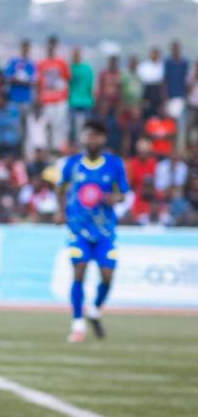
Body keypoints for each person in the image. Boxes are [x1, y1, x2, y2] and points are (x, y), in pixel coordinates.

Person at [55, 120, 128, 343]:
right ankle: (77, 324)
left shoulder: (114, 164)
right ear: (83, 138)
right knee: (79, 271)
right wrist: (61, 212)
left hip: (104, 230)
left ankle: (94, 309)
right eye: (89, 135)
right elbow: (60, 188)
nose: (92, 140)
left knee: (108, 276)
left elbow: (123, 193)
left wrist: (113, 198)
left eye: (96, 136)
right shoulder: (73, 164)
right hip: (79, 229)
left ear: (103, 139)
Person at [35, 36, 70, 151]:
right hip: (46, 100)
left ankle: (59, 148)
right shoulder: (41, 64)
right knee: (46, 126)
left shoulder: (61, 63)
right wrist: (38, 100)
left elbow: (66, 79)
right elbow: (38, 83)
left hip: (60, 100)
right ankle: (47, 148)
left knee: (60, 126)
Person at [68, 47, 94, 141]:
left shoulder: (87, 69)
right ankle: (73, 146)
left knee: (88, 128)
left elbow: (90, 86)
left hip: (86, 101)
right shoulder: (69, 69)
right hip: (72, 101)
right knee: (72, 128)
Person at [4, 39, 36, 107]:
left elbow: (33, 82)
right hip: (13, 98)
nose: (25, 49)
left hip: (26, 99)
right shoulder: (13, 62)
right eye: (23, 47)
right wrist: (18, 80)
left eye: (26, 47)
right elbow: (6, 78)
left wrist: (19, 81)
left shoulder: (31, 64)